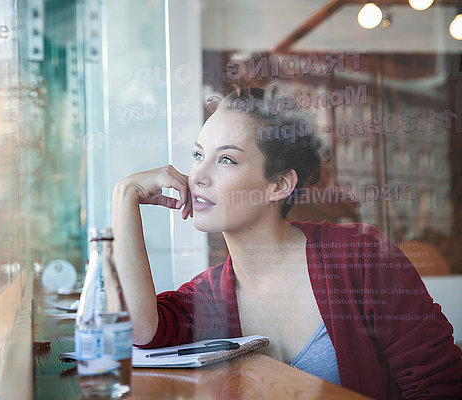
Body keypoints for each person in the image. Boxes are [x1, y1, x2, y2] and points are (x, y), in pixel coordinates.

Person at [111, 86, 462, 399]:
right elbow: (139, 331)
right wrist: (125, 195)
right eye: (199, 155)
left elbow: (440, 384)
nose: (197, 176)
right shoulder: (208, 297)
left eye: (226, 159)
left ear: (279, 185)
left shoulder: (360, 255)